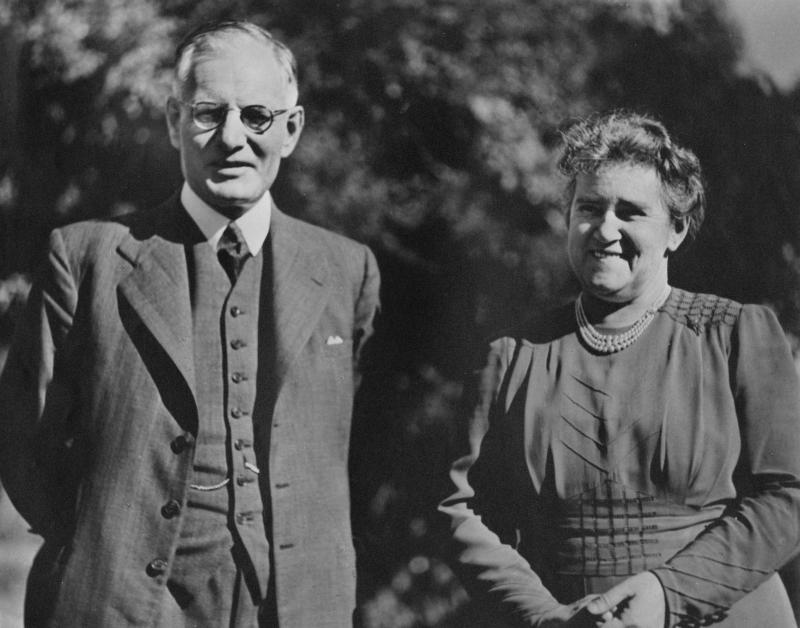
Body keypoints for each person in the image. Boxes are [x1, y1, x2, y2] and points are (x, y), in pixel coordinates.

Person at [0, 20, 380, 627]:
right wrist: (104, 543)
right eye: (209, 113)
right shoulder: (87, 257)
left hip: (293, 606)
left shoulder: (345, 270)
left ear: (291, 130)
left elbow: (351, 444)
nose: (232, 137)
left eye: (256, 116)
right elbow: (24, 442)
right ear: (175, 120)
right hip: (119, 606)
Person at [440, 111, 800, 627]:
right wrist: (545, 617)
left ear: (676, 229)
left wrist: (667, 593)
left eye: (631, 212)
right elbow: (460, 507)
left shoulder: (734, 336)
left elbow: (789, 496)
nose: (606, 228)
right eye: (590, 207)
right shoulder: (511, 356)